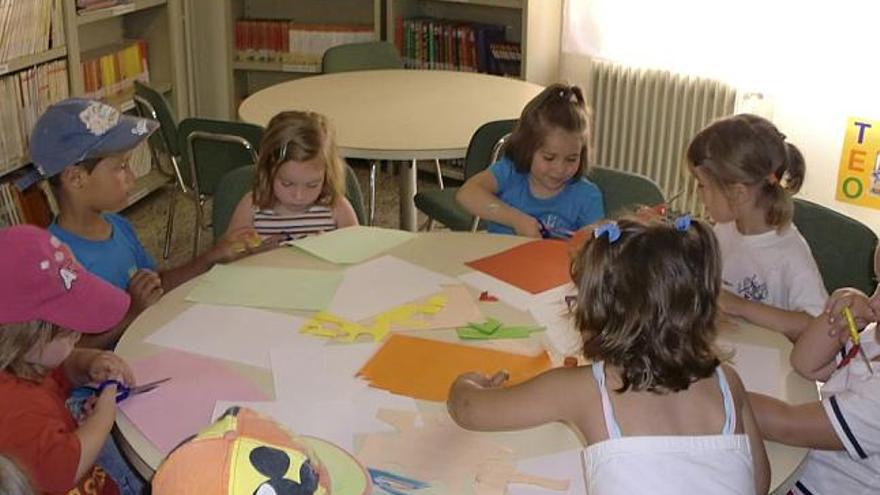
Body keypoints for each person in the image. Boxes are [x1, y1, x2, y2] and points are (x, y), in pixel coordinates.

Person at [447, 215, 769, 494]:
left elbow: (467, 409)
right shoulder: (728, 381)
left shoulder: (583, 390)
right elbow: (759, 481)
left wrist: (468, 381)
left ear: (596, 314)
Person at [20, 98, 257, 348]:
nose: (132, 177)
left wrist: (212, 256)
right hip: (107, 377)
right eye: (121, 166)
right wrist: (132, 314)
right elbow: (66, 355)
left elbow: (154, 285)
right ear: (76, 178)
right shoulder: (53, 258)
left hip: (148, 346)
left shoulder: (118, 226)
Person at [0, 225, 138, 494]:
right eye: (69, 329)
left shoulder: (22, 361)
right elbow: (66, 468)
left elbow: (57, 371)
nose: (79, 333)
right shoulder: (15, 409)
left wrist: (86, 364)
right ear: (24, 335)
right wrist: (104, 414)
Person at [749, 245, 880, 494]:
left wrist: (718, 393)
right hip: (798, 465)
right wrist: (837, 313)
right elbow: (805, 364)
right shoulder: (874, 337)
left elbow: (788, 426)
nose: (873, 302)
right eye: (877, 281)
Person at [686, 113, 826, 340]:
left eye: (703, 185)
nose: (698, 194)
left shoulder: (789, 252)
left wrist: (740, 306)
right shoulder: (725, 229)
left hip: (769, 363)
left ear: (738, 192)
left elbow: (815, 324)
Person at [456, 83, 604, 238]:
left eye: (571, 159)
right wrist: (516, 220)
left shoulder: (587, 197)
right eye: (549, 158)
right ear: (527, 148)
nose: (560, 169)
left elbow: (594, 249)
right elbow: (467, 193)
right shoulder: (511, 173)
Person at [226, 110, 359, 240]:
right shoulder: (252, 204)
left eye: (312, 185)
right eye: (287, 184)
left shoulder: (336, 206)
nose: (298, 196)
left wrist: (329, 245)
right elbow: (227, 251)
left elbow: (357, 250)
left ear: (327, 174)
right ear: (268, 170)